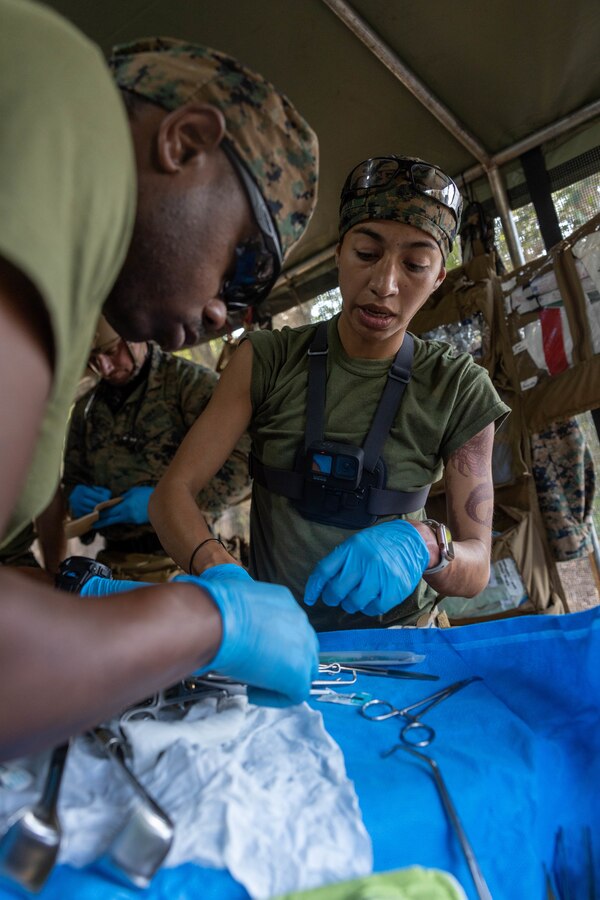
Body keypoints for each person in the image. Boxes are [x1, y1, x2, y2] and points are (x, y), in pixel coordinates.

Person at [0, 0, 319, 760]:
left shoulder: (91, 313)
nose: (221, 312)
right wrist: (205, 624)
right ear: (185, 142)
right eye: (243, 267)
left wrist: (88, 603)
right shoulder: (61, 96)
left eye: (248, 303)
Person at [150, 155, 511, 630]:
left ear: (439, 277)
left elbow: (476, 568)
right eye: (366, 253)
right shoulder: (266, 360)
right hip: (279, 635)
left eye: (415, 264)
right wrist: (219, 568)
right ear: (339, 253)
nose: (384, 284)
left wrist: (424, 545)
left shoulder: (458, 388)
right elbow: (171, 494)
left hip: (403, 640)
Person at [62, 317, 251, 582]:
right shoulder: (87, 407)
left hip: (185, 559)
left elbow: (244, 462)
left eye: (110, 352)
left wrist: (169, 501)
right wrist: (74, 498)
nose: (104, 366)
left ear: (135, 337)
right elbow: (73, 477)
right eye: (93, 359)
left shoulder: (189, 384)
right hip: (114, 566)